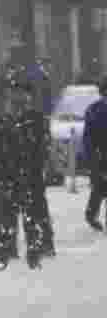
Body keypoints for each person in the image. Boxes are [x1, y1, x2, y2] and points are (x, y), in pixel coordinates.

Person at [0, 79, 55, 270]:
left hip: (30, 176)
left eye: (23, 94)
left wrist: (38, 166)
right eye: (14, 94)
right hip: (5, 176)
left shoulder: (36, 118)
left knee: (33, 218)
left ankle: (35, 253)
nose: (18, 98)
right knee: (2, 219)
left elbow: (43, 147)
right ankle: (3, 255)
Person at [82, 75, 107, 231]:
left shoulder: (93, 109)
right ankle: (91, 215)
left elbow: (88, 137)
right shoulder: (94, 109)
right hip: (100, 154)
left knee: (98, 188)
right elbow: (88, 137)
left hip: (99, 154)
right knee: (98, 188)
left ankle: (91, 215)